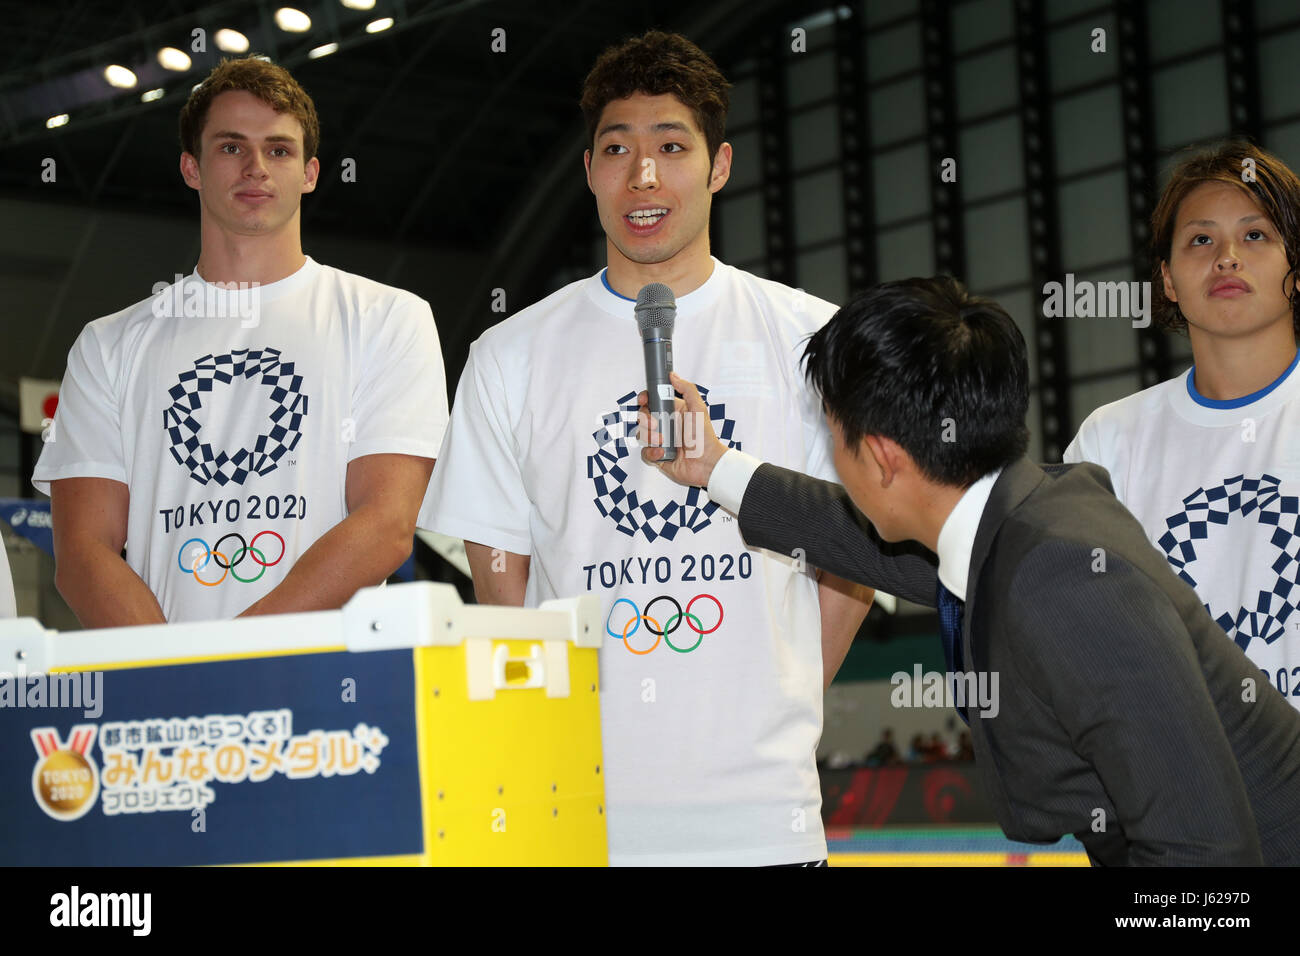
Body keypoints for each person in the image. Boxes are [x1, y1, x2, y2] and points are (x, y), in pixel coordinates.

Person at [640, 276, 1300, 865]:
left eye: (833, 441)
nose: (834, 464)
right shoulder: (1020, 516)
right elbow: (861, 540)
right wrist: (714, 469)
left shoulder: (1065, 581)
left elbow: (1207, 856)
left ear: (881, 459)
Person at [419, 31, 873, 866]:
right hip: (581, 815)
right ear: (588, 169)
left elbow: (855, 550)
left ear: (720, 164)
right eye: (617, 149)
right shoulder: (509, 355)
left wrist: (789, 698)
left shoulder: (814, 338)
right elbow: (499, 579)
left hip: (763, 820)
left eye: (672, 146)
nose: (644, 177)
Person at [32, 56, 447, 626]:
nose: (256, 167)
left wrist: (235, 656)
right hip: (170, 691)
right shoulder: (109, 344)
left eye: (279, 150)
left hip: (332, 682)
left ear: (310, 172)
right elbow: (83, 553)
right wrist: (178, 669)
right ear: (191, 168)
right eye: (231, 147)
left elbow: (386, 523)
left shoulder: (388, 318)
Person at [1065, 142, 1300, 710]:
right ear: (1167, 280)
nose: (1226, 257)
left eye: (1255, 235)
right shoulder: (1108, 440)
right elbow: (1073, 625)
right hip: (1178, 784)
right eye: (1200, 239)